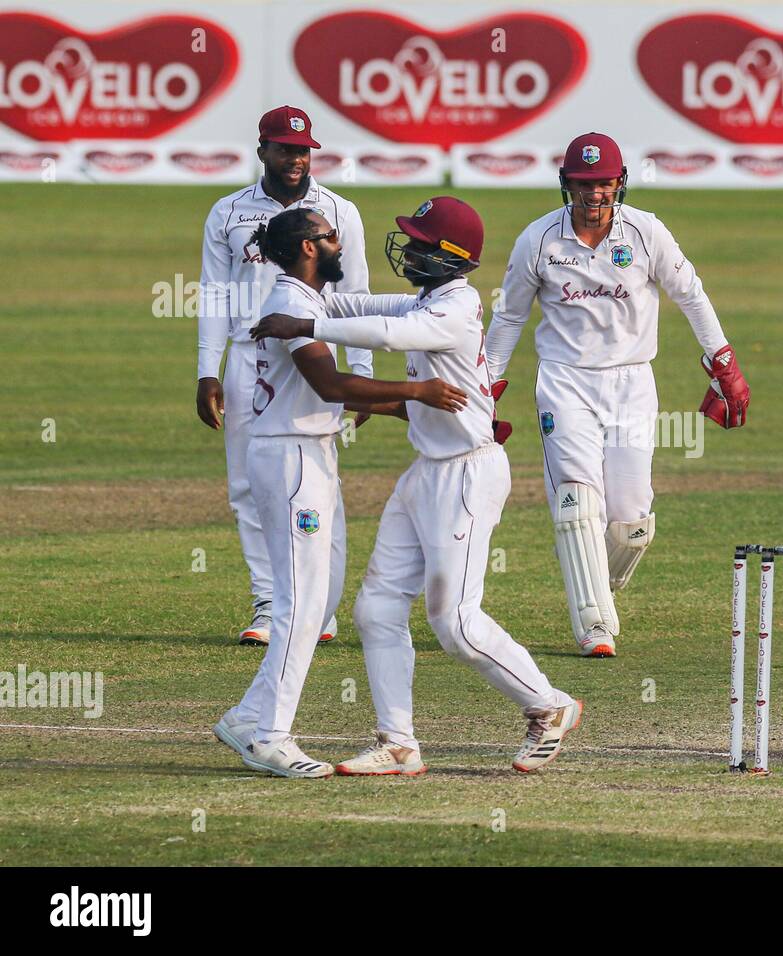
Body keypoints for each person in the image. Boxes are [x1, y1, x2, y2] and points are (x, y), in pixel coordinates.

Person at [252, 197, 583, 774]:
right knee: (377, 609)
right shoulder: (429, 297)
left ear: (451, 257)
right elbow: (359, 304)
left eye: (419, 242)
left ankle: (549, 705)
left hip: (468, 472)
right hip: (425, 471)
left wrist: (304, 323)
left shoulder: (453, 307)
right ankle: (398, 744)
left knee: (453, 621)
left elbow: (386, 333)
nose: (407, 249)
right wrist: (302, 299)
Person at [213, 208, 467, 778]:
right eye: (329, 235)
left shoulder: (310, 303)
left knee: (317, 597)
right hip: (289, 457)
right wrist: (419, 391)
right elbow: (332, 385)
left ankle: (249, 715)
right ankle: (269, 738)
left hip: (310, 453)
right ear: (308, 247)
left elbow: (372, 346)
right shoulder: (292, 306)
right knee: (301, 602)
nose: (338, 241)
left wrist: (425, 412)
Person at [485, 132, 750, 658]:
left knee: (631, 525)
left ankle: (595, 586)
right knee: (577, 504)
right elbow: (510, 314)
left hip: (632, 382)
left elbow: (690, 295)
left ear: (619, 184)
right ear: (568, 186)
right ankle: (594, 628)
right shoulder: (539, 240)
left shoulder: (646, 233)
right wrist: (486, 386)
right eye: (584, 185)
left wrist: (724, 363)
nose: (594, 195)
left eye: (603, 184)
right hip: (565, 381)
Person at [196, 105, 374, 646]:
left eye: (302, 150)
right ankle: (272, 602)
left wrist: (361, 370)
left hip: (315, 357)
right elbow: (214, 294)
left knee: (316, 480)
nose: (295, 159)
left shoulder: (339, 212)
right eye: (284, 149)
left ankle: (317, 605)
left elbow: (355, 294)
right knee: (249, 486)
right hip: (250, 358)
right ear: (262, 151)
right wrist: (209, 371)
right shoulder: (228, 213)